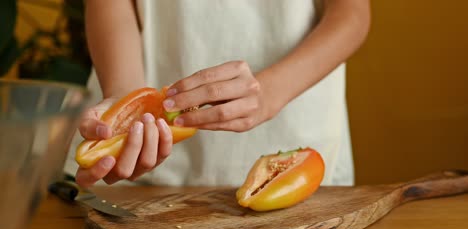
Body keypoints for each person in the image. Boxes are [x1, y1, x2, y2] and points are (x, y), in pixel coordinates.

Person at [64, 0, 371, 188]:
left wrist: (271, 91)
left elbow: (352, 11)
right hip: (141, 178)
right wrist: (126, 97)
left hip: (295, 152)